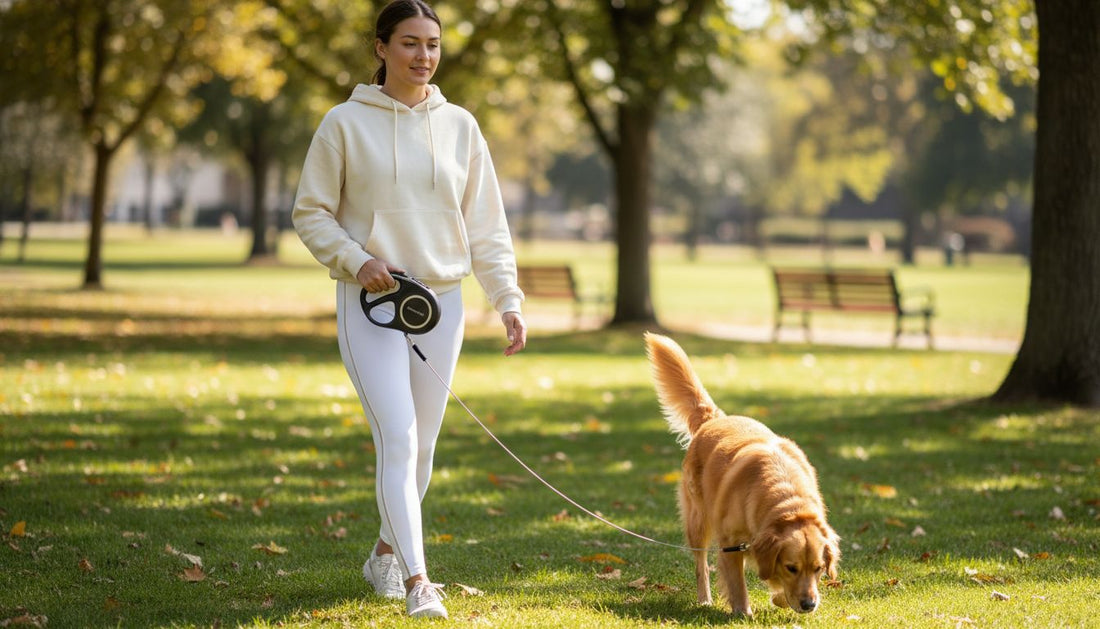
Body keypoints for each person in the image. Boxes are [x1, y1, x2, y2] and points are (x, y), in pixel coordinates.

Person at [291, 0, 527, 619]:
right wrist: (353, 259)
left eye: (432, 44)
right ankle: (419, 580)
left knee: (421, 448)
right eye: (409, 43)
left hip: (441, 303)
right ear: (380, 48)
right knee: (396, 436)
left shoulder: (462, 126)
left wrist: (507, 300)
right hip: (369, 302)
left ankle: (381, 556)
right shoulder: (343, 122)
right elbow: (310, 211)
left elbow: (487, 225)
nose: (423, 56)